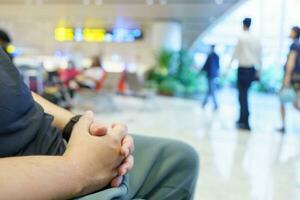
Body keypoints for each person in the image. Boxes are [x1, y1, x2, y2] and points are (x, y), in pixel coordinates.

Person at [0, 48, 199, 199]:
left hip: (54, 142)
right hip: (37, 181)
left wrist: (76, 125)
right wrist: (76, 170)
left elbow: (16, 89)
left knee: (179, 157)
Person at [228, 17, 262, 131]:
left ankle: (245, 120)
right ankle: (242, 118)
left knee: (242, 95)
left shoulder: (241, 38)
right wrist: (259, 72)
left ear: (243, 25)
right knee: (245, 94)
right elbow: (259, 56)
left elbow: (235, 54)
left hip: (242, 69)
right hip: (252, 70)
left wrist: (227, 68)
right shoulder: (256, 39)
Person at [278, 26, 300, 133]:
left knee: (282, 100)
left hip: (292, 77)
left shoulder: (294, 45)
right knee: (296, 103)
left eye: (291, 31)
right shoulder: (298, 45)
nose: (289, 33)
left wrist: (287, 76)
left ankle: (283, 126)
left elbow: (291, 61)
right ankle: (283, 125)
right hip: (297, 77)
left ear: (295, 33)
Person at [201, 45, 220, 110]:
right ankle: (205, 103)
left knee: (211, 90)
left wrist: (201, 70)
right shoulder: (214, 56)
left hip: (211, 75)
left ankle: (215, 104)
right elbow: (217, 66)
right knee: (210, 90)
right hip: (212, 75)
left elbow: (207, 65)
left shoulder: (213, 56)